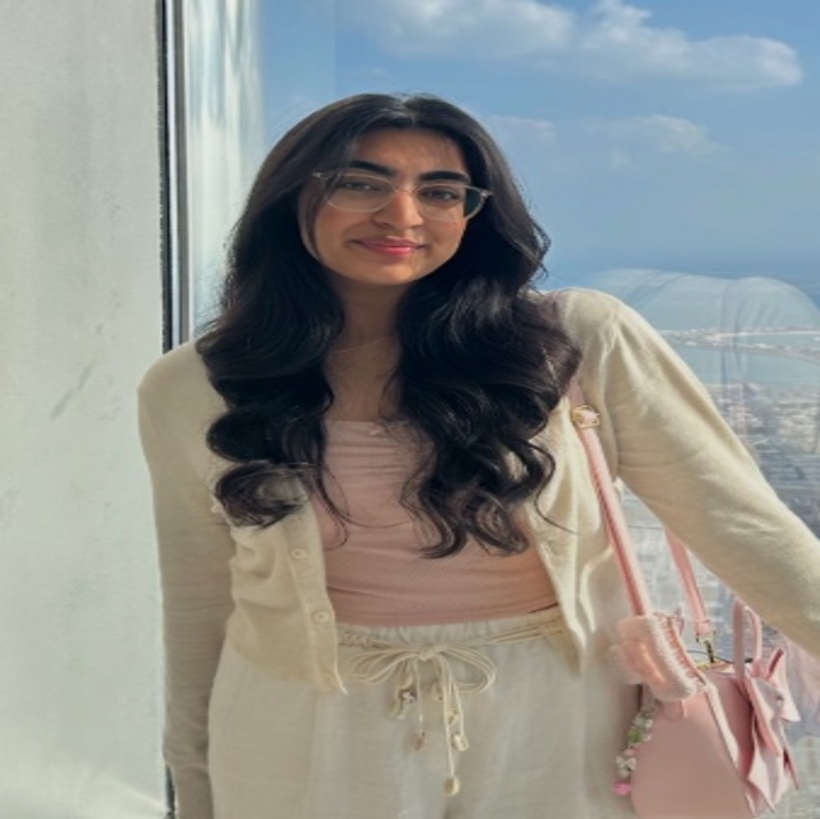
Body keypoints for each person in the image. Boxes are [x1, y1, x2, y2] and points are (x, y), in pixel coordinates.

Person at [137, 92, 820, 819]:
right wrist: (196, 785)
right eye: (359, 183)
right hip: (299, 727)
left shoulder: (575, 342)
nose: (402, 215)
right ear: (291, 199)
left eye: (440, 192)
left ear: (474, 215)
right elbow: (200, 602)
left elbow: (742, 525)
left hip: (558, 715)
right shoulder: (192, 386)